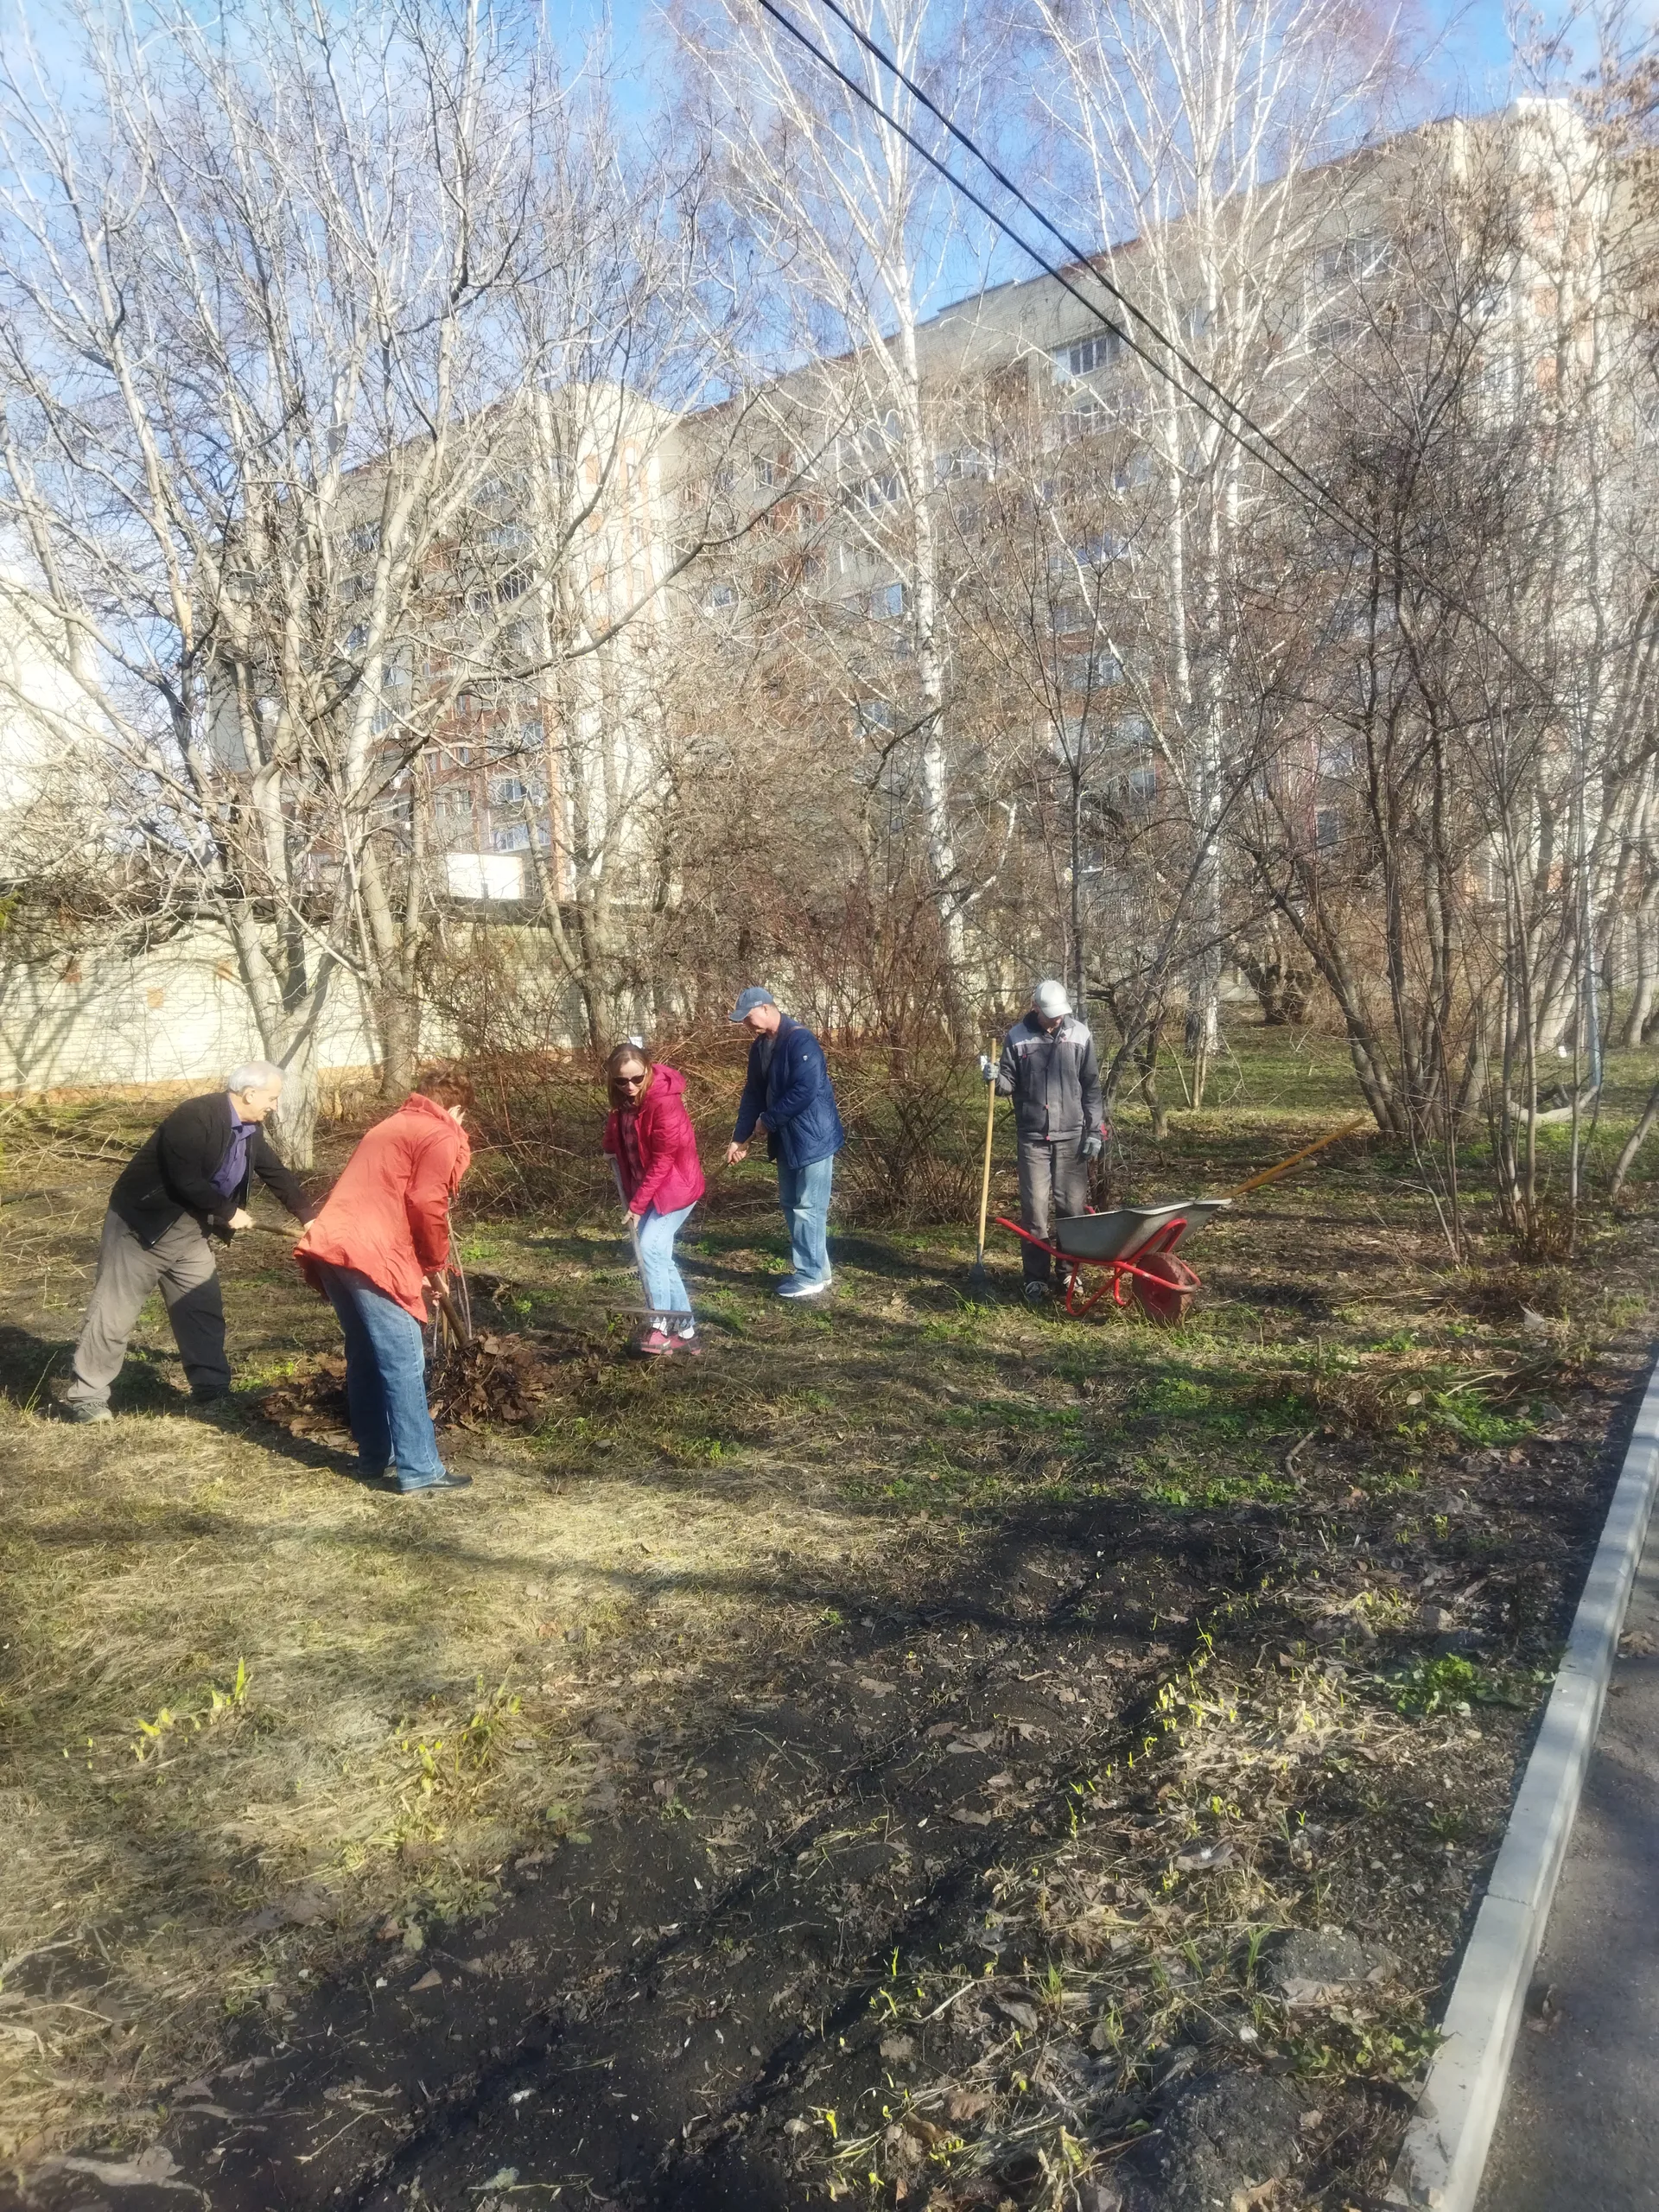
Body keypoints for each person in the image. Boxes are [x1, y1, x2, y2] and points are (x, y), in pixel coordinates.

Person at [60, 1059, 315, 1421]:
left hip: (192, 1230)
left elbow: (276, 1174)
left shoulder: (248, 1128)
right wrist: (229, 1212)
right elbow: (187, 1180)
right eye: (272, 1098)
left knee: (201, 1309)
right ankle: (87, 1398)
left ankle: (212, 1388)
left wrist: (310, 1218)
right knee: (114, 1313)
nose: (274, 1106)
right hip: (142, 1228)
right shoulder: (194, 1117)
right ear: (249, 1093)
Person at [293, 1069, 474, 1495]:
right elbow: (425, 1202)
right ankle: (421, 1470)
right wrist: (434, 1264)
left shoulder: (390, 1125)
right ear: (456, 1109)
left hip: (333, 1247)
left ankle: (375, 1458)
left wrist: (422, 1269)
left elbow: (388, 1200)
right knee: (403, 1360)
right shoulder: (440, 1132)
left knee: (366, 1355)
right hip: (368, 1251)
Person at [982, 980, 1107, 1303]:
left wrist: (1095, 1131)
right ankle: (1035, 1278)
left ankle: (1069, 1274)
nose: (1054, 1020)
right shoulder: (1017, 1037)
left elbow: (1091, 1088)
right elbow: (1008, 1084)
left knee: (1071, 1210)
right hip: (1033, 1138)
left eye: (1058, 1015)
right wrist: (995, 1077)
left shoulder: (1079, 1034)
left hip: (1072, 1137)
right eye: (1048, 1015)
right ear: (1035, 1008)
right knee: (1035, 1208)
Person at [725, 987, 844, 1298]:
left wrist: (768, 1121)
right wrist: (740, 1139)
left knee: (808, 1207)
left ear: (766, 1008)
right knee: (792, 1204)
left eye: (748, 1018)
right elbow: (753, 1094)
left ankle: (809, 1275)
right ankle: (820, 1269)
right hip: (787, 1139)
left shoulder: (800, 1040)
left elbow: (804, 1091)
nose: (746, 1026)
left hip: (813, 1138)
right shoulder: (760, 1047)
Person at [602, 1042, 708, 1357]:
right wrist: (610, 1143)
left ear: (648, 1070)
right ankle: (687, 1332)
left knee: (649, 1249)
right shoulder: (624, 1100)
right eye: (622, 1081)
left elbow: (664, 1159)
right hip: (650, 1187)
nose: (630, 1086)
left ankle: (660, 1325)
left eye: (637, 1078)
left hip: (676, 1188)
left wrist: (636, 1206)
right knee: (661, 1256)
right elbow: (620, 1128)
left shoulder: (664, 1102)